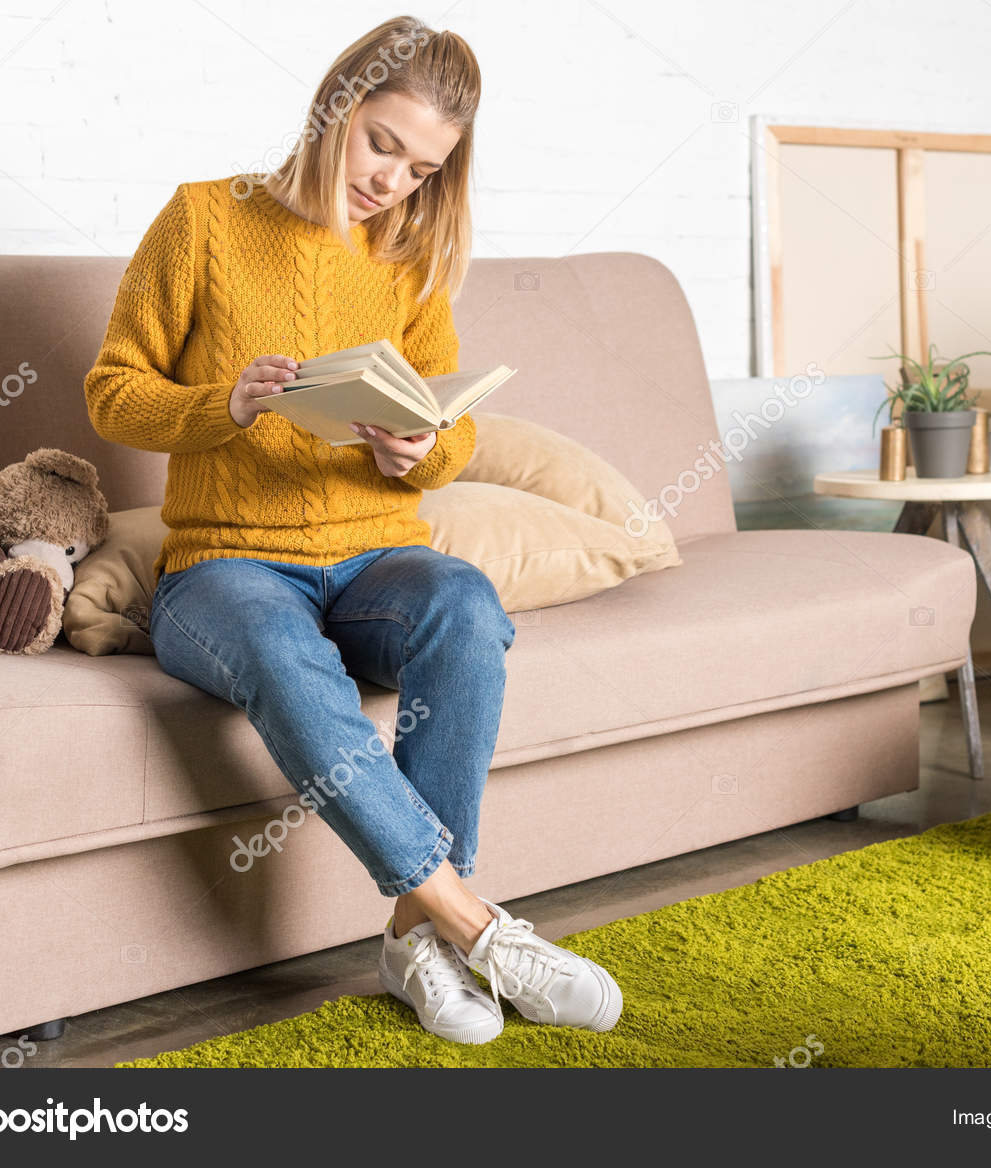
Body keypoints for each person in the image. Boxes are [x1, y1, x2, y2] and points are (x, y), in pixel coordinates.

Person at [82, 16, 621, 1045]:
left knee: (465, 606)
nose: (392, 182)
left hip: (376, 558)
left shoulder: (408, 257)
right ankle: (473, 926)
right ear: (337, 104)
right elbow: (112, 392)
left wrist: (423, 451)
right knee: (278, 649)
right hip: (225, 567)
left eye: (421, 169)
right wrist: (222, 405)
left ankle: (416, 939)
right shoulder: (204, 218)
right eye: (383, 144)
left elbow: (452, 425)